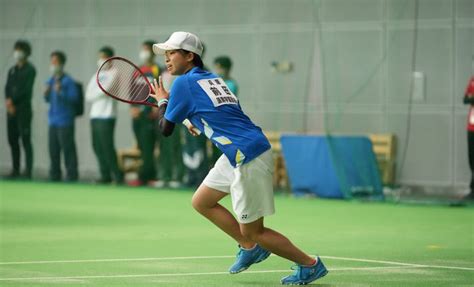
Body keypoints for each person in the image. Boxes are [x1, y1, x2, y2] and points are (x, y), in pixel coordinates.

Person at [149, 32, 328, 285]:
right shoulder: (211, 78)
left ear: (189, 56)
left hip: (248, 155)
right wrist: (193, 121)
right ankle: (249, 247)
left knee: (256, 230)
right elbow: (219, 113)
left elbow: (165, 130)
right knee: (202, 201)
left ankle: (309, 264)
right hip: (240, 149)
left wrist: (162, 101)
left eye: (172, 53)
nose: (167, 60)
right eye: (165, 55)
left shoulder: (183, 83)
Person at [86, 46, 123, 184]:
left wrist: (97, 92)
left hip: (107, 116)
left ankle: (118, 176)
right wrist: (97, 93)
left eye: (104, 57)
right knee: (97, 146)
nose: (101, 60)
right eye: (100, 57)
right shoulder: (96, 74)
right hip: (94, 115)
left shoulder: (115, 73)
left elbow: (105, 90)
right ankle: (105, 175)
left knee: (107, 146)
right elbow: (88, 95)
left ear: (110, 59)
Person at [128, 40, 160, 186]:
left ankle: (149, 176)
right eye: (143, 49)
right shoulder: (137, 70)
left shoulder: (157, 70)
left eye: (147, 49)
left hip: (150, 115)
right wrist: (132, 107)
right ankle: (143, 174)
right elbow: (132, 90)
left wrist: (156, 106)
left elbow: (161, 88)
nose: (144, 52)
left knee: (149, 147)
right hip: (137, 116)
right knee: (141, 146)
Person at [44, 51, 79, 182]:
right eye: (51, 62)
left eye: (55, 62)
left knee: (68, 149)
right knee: (53, 149)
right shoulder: (51, 80)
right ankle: (54, 174)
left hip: (65, 120)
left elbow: (73, 99)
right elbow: (48, 100)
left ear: (61, 64)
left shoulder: (68, 81)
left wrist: (61, 91)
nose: (53, 65)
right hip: (53, 120)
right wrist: (46, 93)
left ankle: (71, 175)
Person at [4, 40, 36, 179]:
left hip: (23, 110)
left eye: (20, 49)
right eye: (16, 49)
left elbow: (25, 90)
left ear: (26, 52)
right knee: (12, 140)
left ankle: (28, 171)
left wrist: (13, 101)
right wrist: (8, 101)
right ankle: (15, 169)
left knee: (25, 139)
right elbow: (7, 87)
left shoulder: (30, 69)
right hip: (11, 110)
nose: (17, 52)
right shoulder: (12, 70)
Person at [463, 57, 474, 200]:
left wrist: (472, 97)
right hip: (471, 127)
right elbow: (465, 99)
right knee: (472, 158)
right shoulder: (473, 80)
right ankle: (473, 189)